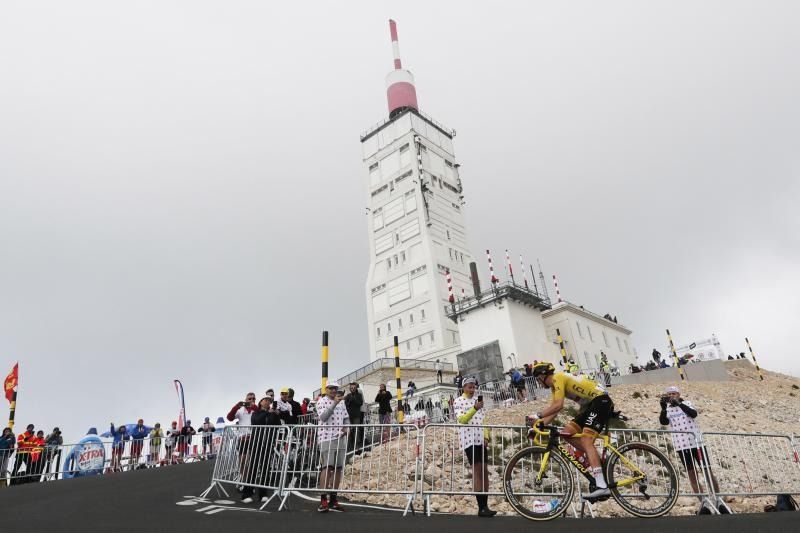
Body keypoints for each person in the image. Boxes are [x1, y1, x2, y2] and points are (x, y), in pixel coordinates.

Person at [529, 361, 613, 500]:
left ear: (543, 375)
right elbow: (555, 410)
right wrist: (537, 426)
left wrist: (537, 415)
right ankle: (597, 460)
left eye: (538, 379)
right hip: (590, 405)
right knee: (567, 433)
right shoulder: (555, 386)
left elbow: (558, 405)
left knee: (586, 440)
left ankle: (602, 486)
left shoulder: (558, 378)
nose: (538, 382)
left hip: (600, 401)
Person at [659, 386, 727, 514]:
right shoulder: (667, 409)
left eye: (674, 393)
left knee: (707, 470)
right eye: (669, 394)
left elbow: (693, 414)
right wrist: (663, 408)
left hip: (696, 443)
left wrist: (678, 403)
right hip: (681, 445)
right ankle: (704, 502)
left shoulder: (687, 403)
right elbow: (664, 422)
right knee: (692, 474)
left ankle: (718, 498)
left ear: (679, 394)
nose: (672, 396)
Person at [453, 376, 496, 517]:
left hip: (480, 439)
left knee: (484, 470)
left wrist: (486, 436)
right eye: (469, 387)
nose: (472, 390)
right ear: (464, 388)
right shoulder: (458, 401)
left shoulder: (479, 401)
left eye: (473, 387)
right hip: (468, 439)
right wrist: (474, 408)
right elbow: (462, 419)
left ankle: (486, 505)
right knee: (477, 470)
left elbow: (484, 419)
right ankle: (481, 507)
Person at [316, 382, 349, 513]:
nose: (334, 390)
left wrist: (347, 427)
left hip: (340, 437)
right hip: (326, 437)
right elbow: (323, 417)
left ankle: (333, 499)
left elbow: (346, 418)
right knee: (327, 467)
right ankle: (323, 499)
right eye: (331, 388)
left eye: (336, 388)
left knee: (338, 468)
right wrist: (334, 403)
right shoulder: (321, 401)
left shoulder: (342, 402)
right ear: (326, 389)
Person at [243, 397, 282, 503]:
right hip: (256, 444)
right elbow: (256, 421)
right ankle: (247, 493)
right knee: (253, 469)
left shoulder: (271, 414)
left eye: (269, 401)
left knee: (265, 469)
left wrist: (276, 415)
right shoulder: (256, 413)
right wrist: (267, 413)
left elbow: (277, 426)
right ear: (260, 402)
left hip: (268, 445)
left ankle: (263, 493)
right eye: (265, 400)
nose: (268, 402)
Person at [227, 392, 258, 483]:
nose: (252, 400)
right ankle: (245, 480)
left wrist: (253, 406)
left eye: (253, 399)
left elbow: (260, 412)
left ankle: (251, 480)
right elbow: (229, 418)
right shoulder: (240, 410)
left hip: (254, 438)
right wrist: (237, 406)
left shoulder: (256, 409)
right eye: (249, 399)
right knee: (242, 461)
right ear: (245, 400)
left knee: (254, 461)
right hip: (243, 438)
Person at [344, 382, 364, 454]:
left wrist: (354, 399)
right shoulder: (348, 396)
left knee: (356, 430)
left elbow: (360, 403)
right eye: (351, 388)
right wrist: (349, 400)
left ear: (356, 388)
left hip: (356, 415)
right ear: (350, 389)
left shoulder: (359, 395)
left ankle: (357, 447)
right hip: (348, 416)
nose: (352, 389)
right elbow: (346, 404)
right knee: (348, 431)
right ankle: (348, 446)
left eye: (354, 388)